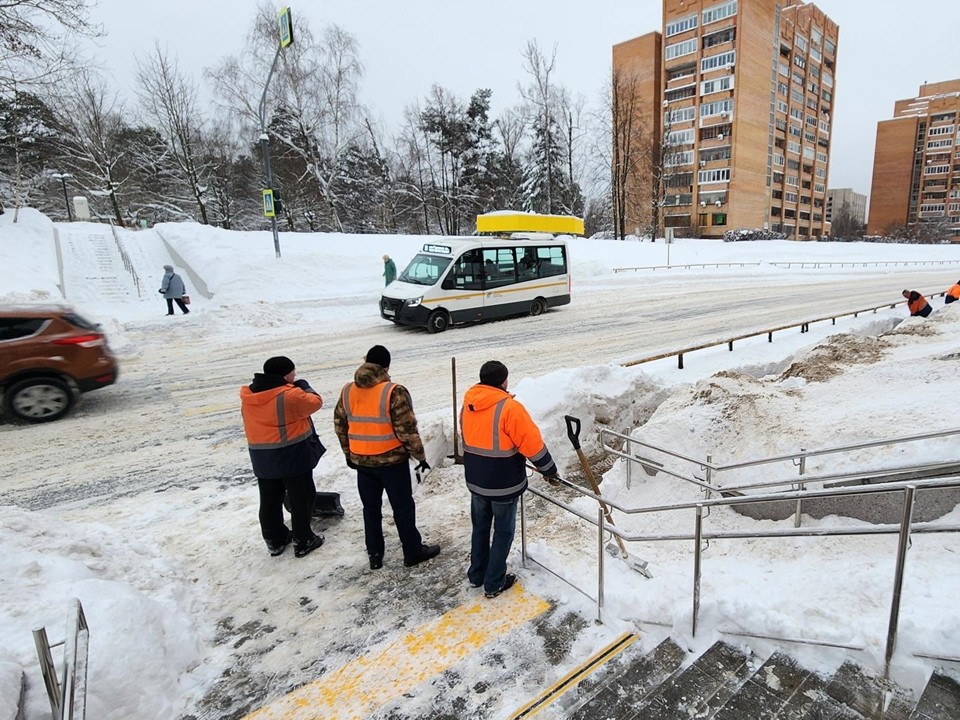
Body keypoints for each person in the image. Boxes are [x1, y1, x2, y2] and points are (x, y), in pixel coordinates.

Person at [333, 345, 439, 570]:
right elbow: (407, 429)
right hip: (392, 463)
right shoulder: (393, 391)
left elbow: (340, 426)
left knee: (370, 509)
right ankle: (412, 551)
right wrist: (419, 456)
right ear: (387, 366)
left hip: (362, 462)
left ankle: (374, 555)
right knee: (402, 507)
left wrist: (348, 454)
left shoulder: (347, 391)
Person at [460, 360, 559, 599]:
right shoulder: (509, 408)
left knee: (480, 528)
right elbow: (532, 444)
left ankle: (477, 574)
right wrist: (549, 470)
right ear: (504, 381)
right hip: (502, 482)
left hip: (475, 479)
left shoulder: (468, 404)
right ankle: (494, 582)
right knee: (503, 531)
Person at [241, 356, 326, 558]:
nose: (295, 376)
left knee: (269, 499)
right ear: (285, 375)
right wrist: (304, 386)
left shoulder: (250, 395)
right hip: (291, 453)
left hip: (262, 455)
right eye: (293, 373)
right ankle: (303, 540)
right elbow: (315, 403)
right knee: (301, 497)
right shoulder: (289, 395)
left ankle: (275, 539)